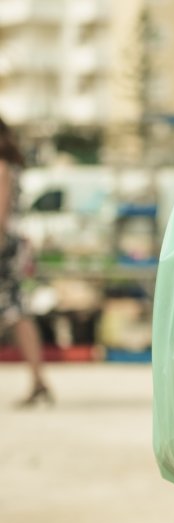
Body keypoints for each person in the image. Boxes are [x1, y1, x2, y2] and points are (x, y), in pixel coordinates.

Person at [0, 117, 51, 408]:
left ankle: (38, 380)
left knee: (16, 312)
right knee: (17, 311)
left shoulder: (2, 167)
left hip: (3, 246)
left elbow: (1, 214)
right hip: (13, 245)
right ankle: (38, 380)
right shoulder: (12, 165)